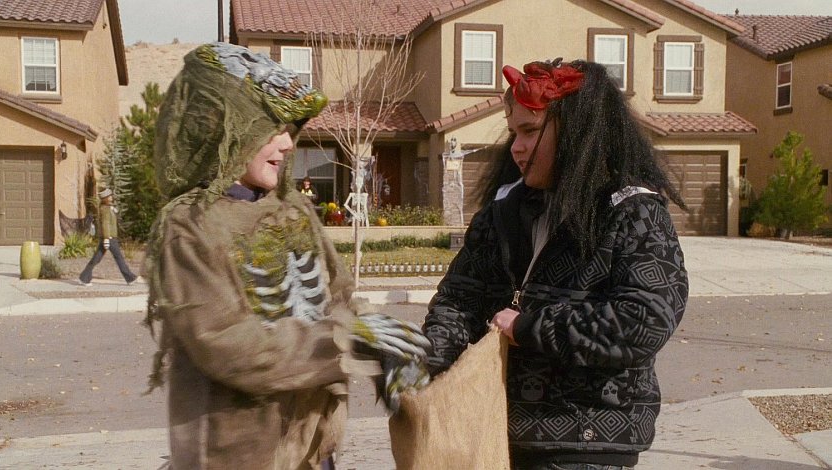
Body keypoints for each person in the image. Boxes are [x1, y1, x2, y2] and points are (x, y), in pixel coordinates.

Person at [142, 42, 430, 469]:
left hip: (313, 450)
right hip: (236, 456)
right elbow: (226, 344)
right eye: (269, 129)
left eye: (288, 130)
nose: (286, 144)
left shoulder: (293, 211)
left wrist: (382, 345)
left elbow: (339, 298)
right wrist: (343, 339)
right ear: (224, 128)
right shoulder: (190, 225)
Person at [423, 58, 689, 469]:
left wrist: (528, 327)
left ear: (577, 132)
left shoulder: (634, 212)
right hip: (494, 435)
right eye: (513, 132)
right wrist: (426, 361)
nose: (516, 147)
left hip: (590, 445)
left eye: (530, 131)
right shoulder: (502, 212)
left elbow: (644, 321)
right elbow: (460, 299)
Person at [78, 188, 139, 286]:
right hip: (110, 238)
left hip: (109, 237)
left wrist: (114, 211)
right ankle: (130, 278)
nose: (111, 197)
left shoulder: (108, 208)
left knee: (96, 259)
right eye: (109, 196)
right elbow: (105, 224)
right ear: (105, 198)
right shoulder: (105, 209)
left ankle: (84, 278)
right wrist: (106, 238)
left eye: (110, 195)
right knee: (119, 258)